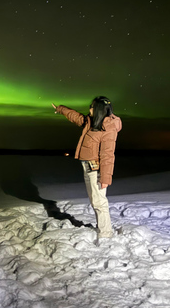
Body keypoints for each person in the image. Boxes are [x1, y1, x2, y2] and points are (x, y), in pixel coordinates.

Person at [52, 97, 122, 239]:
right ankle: (102, 229)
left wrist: (105, 178)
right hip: (87, 166)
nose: (89, 109)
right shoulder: (90, 122)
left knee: (99, 202)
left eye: (92, 107)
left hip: (96, 169)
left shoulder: (109, 128)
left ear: (99, 109)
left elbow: (108, 155)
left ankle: (105, 234)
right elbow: (75, 117)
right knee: (95, 201)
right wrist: (61, 109)